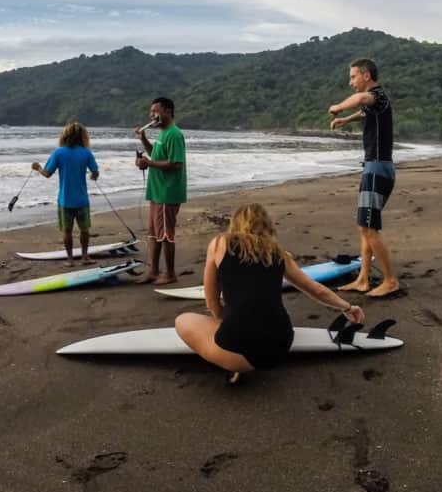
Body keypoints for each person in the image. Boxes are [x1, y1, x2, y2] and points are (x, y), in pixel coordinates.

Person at [175, 203, 364, 382]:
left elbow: (212, 302)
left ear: (235, 223)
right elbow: (316, 289)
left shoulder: (219, 243)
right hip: (281, 345)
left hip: (238, 351)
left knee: (182, 320)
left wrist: (224, 322)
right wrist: (347, 307)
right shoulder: (279, 252)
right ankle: (240, 347)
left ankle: (234, 365)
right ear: (266, 226)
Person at [328, 58, 399, 298]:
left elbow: (361, 100)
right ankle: (363, 279)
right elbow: (363, 110)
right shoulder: (376, 102)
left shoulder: (376, 95)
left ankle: (390, 280)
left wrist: (338, 107)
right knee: (365, 227)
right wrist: (346, 120)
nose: (351, 82)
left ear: (366, 76)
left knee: (369, 228)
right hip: (375, 167)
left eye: (353, 77)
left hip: (377, 169)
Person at [31, 122, 100, 266]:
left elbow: (47, 174)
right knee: (84, 230)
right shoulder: (86, 153)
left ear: (65, 135)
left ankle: (70, 259)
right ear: (82, 136)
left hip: (65, 200)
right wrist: (93, 176)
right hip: (82, 199)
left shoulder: (59, 153)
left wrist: (38, 167)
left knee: (67, 231)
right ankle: (85, 256)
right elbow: (95, 172)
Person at [134, 97, 186, 284]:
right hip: (157, 192)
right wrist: (144, 142)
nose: (152, 116)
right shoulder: (163, 134)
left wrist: (150, 163)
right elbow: (155, 155)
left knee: (166, 235)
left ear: (168, 111)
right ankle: (153, 270)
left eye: (155, 112)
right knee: (153, 234)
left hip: (167, 192)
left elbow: (176, 164)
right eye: (151, 113)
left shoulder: (174, 134)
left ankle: (170, 273)